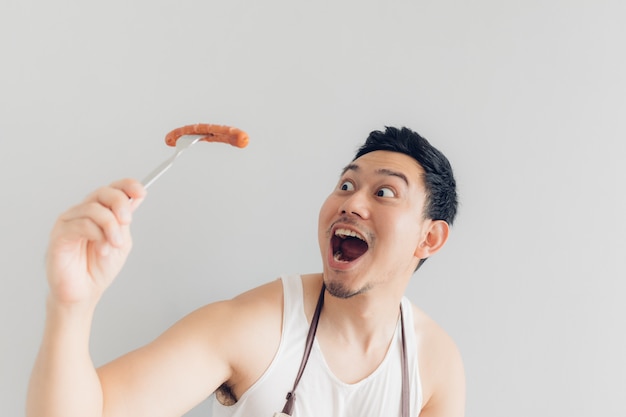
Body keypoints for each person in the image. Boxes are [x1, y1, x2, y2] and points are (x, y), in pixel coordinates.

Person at [27, 126, 465, 417]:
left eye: (384, 191)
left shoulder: (434, 364)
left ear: (429, 239)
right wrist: (70, 306)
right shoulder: (255, 327)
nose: (351, 202)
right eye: (346, 185)